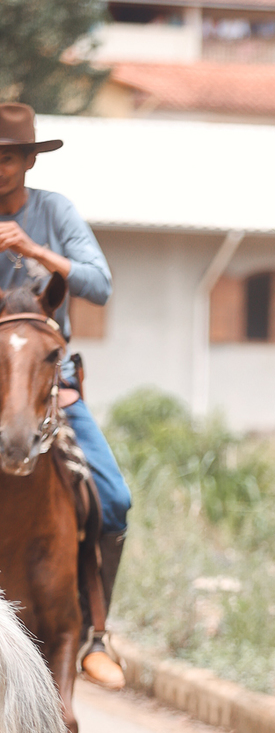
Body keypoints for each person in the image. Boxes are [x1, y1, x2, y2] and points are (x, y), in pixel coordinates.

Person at [0, 104, 129, 690]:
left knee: (114, 499)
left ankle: (97, 634)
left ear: (29, 161)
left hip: (51, 388)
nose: (0, 168)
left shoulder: (55, 212)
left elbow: (99, 284)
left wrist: (34, 250)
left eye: (9, 157)